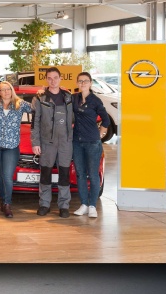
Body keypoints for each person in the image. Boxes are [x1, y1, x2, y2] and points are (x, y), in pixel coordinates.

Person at [0, 80, 33, 218]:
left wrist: (42, 95)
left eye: (8, 89)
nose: (6, 92)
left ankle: (7, 203)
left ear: (12, 91)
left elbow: (36, 108)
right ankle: (3, 198)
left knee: (7, 175)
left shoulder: (20, 104)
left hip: (11, 146)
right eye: (2, 90)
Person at [31, 67, 74, 218]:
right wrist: (35, 142)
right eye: (49, 78)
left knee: (64, 174)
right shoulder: (40, 98)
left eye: (55, 77)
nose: (53, 81)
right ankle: (44, 204)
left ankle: (64, 205)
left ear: (61, 78)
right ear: (46, 80)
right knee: (45, 174)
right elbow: (35, 122)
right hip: (47, 142)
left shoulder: (68, 97)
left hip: (65, 143)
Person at [72, 72, 110, 218]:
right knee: (80, 173)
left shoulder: (95, 100)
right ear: (77, 83)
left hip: (92, 142)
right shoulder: (74, 98)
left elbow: (106, 120)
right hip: (77, 141)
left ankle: (92, 205)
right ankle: (84, 204)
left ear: (90, 83)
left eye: (85, 81)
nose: (83, 83)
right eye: (80, 81)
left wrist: (100, 134)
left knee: (93, 174)